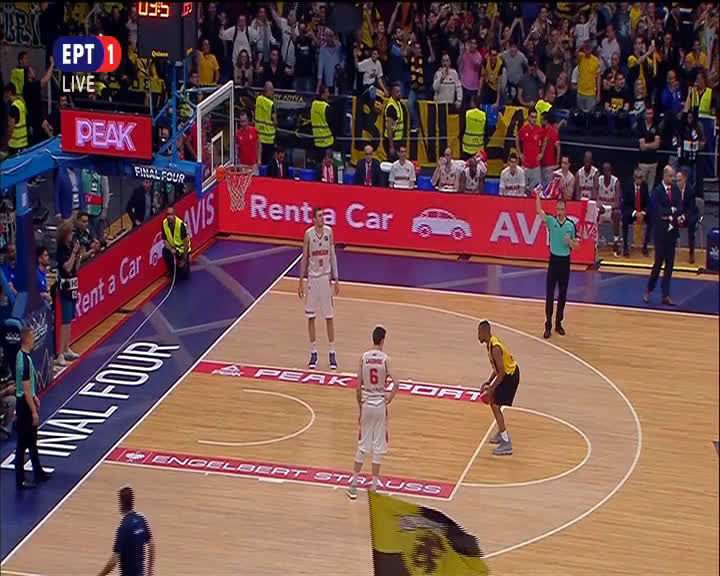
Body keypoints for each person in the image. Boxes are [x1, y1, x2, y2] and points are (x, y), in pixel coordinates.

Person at [346, 325, 397, 500]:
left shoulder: (363, 357)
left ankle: (353, 486)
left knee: (362, 445)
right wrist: (389, 397)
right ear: (382, 341)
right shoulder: (385, 359)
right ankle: (374, 489)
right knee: (377, 447)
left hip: (367, 403)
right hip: (380, 405)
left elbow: (357, 388)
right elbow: (397, 383)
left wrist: (360, 408)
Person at [297, 206, 339, 370]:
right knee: (311, 317)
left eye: (323, 215)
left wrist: (336, 279)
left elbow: (333, 256)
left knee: (329, 317)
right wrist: (300, 281)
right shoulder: (308, 234)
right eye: (320, 216)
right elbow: (304, 259)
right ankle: (313, 352)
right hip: (312, 280)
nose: (323, 218)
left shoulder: (329, 232)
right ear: (314, 219)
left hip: (325, 278)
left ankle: (332, 352)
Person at [536, 192, 579, 338]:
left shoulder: (570, 225)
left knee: (562, 294)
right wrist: (538, 195)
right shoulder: (551, 221)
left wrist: (570, 242)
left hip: (565, 262)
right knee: (550, 294)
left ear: (566, 210)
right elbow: (539, 211)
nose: (560, 212)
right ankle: (548, 325)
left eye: (562, 209)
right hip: (553, 261)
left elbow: (577, 245)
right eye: (558, 209)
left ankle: (558, 323)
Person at [15, 327, 51, 488]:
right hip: (24, 405)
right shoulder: (23, 360)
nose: (34, 339)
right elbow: (25, 388)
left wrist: (35, 395)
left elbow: (29, 388)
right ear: (27, 339)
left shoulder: (22, 356)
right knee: (23, 443)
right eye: (33, 337)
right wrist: (33, 410)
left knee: (32, 440)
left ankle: (38, 471)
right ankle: (20, 479)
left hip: (26, 400)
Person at [478, 320, 520, 456]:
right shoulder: (490, 344)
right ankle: (502, 433)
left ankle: (506, 443)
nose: (478, 336)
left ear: (484, 332)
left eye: (479, 333)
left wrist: (491, 389)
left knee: (495, 405)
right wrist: (489, 381)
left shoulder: (495, 348)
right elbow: (497, 368)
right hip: (506, 374)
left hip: (510, 376)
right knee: (494, 403)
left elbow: (501, 372)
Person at [644, 165, 682, 306]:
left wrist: (671, 212)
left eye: (673, 176)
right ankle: (649, 289)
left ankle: (665, 295)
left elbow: (680, 207)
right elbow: (658, 210)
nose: (672, 179)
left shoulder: (675, 190)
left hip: (672, 231)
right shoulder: (657, 191)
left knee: (670, 264)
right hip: (660, 232)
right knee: (658, 263)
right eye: (670, 176)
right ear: (664, 176)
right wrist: (671, 211)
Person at [97, 486, 156, 576]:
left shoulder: (123, 528)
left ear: (121, 503)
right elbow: (151, 545)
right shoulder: (141, 520)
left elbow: (113, 561)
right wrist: (150, 570)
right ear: (132, 501)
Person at [56, 220, 80, 367]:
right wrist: (74, 253)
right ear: (65, 234)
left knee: (70, 318)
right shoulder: (60, 250)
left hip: (73, 284)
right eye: (70, 233)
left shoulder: (70, 247)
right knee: (65, 321)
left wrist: (78, 255)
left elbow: (75, 267)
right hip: (65, 287)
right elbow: (67, 267)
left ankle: (66, 348)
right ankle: (60, 354)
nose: (72, 236)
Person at [621, 168, 652, 257]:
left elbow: (648, 203)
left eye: (641, 177)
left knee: (651, 219)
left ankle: (645, 246)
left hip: (641, 212)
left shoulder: (645, 185)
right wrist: (635, 213)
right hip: (632, 212)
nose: (640, 180)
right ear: (634, 178)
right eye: (638, 177)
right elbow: (625, 204)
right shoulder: (628, 186)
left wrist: (643, 213)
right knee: (624, 218)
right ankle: (625, 247)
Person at [516, 108, 544, 194]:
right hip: (525, 165)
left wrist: (542, 153)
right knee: (523, 191)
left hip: (536, 166)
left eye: (535, 117)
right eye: (532, 117)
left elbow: (545, 141)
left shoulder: (539, 130)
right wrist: (520, 153)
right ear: (528, 118)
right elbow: (517, 139)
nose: (534, 119)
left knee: (535, 192)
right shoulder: (524, 129)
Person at [597, 162, 622, 256]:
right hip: (600, 210)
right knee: (593, 212)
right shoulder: (599, 180)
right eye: (605, 170)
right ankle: (595, 240)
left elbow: (617, 203)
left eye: (608, 170)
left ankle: (616, 242)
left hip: (610, 210)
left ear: (611, 171)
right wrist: (599, 206)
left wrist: (606, 207)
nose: (607, 172)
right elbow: (594, 197)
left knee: (617, 213)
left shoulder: (616, 182)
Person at [161, 205, 191, 281]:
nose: (169, 217)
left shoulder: (180, 225)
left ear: (174, 215)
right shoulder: (164, 223)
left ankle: (184, 264)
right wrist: (171, 249)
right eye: (167, 214)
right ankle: (171, 270)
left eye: (171, 214)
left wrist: (184, 259)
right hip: (173, 249)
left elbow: (186, 243)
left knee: (183, 276)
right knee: (165, 251)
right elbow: (164, 240)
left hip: (182, 250)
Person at [677, 169, 699, 264]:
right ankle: (667, 250)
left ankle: (691, 252)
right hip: (679, 214)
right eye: (676, 180)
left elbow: (691, 208)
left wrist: (683, 217)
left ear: (685, 179)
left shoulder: (690, 190)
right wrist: (677, 216)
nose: (678, 183)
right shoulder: (674, 189)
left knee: (691, 223)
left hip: (690, 214)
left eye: (679, 180)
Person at [255, 81, 278, 165]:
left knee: (260, 162)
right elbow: (275, 122)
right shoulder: (271, 104)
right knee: (269, 163)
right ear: (267, 90)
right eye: (272, 90)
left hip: (258, 136)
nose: (273, 92)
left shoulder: (258, 99)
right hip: (269, 138)